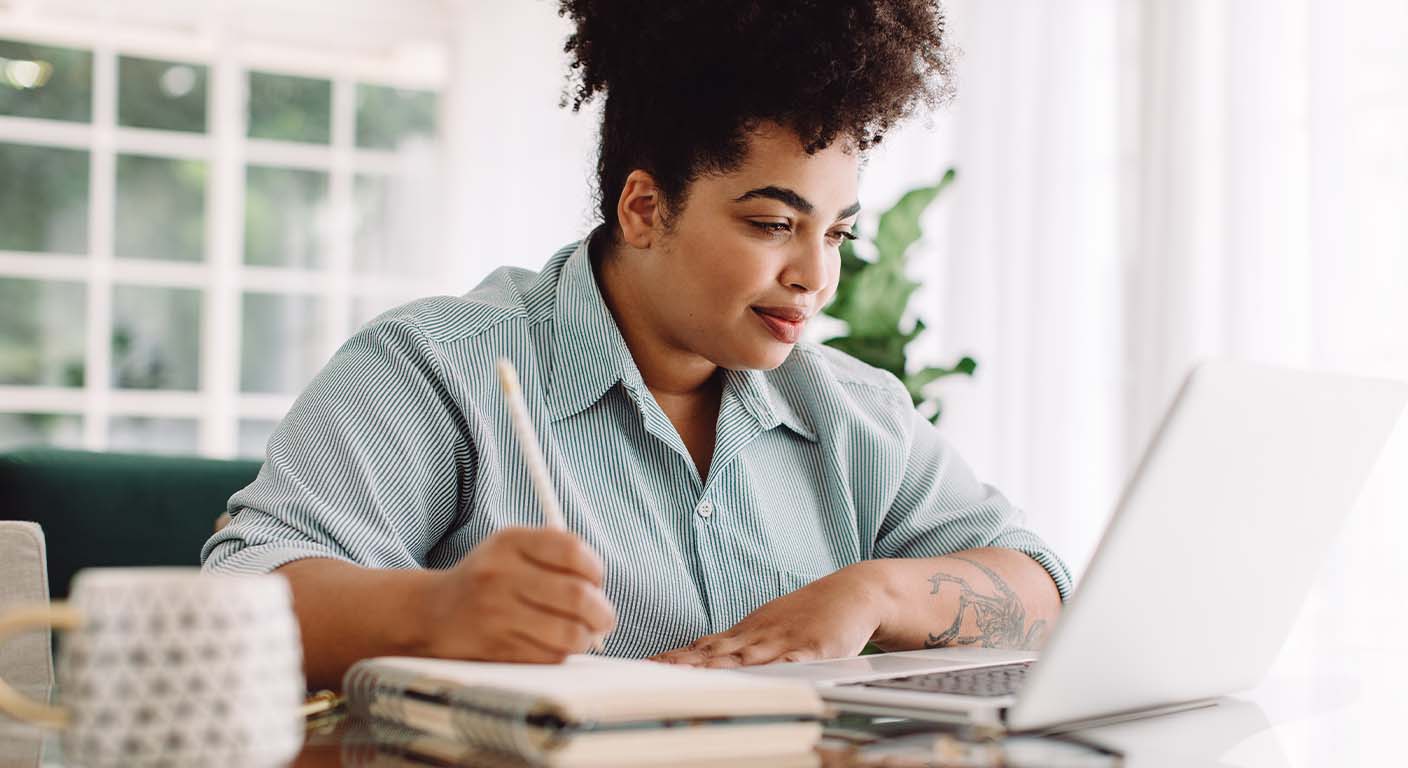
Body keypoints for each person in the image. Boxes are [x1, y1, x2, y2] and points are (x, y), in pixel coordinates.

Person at [201, 0, 1072, 691]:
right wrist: (434, 610)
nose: (816, 275)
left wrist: (874, 591)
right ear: (645, 208)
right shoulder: (438, 367)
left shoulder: (854, 413)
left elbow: (1041, 590)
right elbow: (233, 603)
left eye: (838, 233)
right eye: (774, 223)